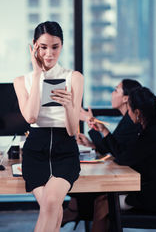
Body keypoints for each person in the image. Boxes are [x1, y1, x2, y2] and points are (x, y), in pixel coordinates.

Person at [13, 21, 84, 232]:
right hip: (36, 151)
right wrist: (37, 75)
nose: (49, 53)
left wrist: (69, 104)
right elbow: (31, 116)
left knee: (52, 204)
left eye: (55, 47)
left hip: (65, 150)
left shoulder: (75, 78)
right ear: (34, 46)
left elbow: (73, 131)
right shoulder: (21, 81)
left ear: (62, 46)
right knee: (55, 211)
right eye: (43, 47)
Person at [87, 86, 156, 231]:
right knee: (102, 199)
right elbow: (125, 154)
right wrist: (104, 130)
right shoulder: (151, 129)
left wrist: (104, 132)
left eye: (130, 110)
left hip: (151, 197)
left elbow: (123, 158)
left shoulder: (149, 135)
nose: (128, 113)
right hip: (150, 191)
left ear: (137, 112)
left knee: (102, 202)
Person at [61, 79, 142, 231]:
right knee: (82, 186)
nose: (112, 93)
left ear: (126, 98)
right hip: (126, 176)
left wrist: (89, 122)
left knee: (86, 188)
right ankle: (73, 212)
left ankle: (73, 212)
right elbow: (112, 146)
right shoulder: (127, 120)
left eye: (115, 90)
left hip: (131, 184)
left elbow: (114, 149)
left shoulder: (131, 122)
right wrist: (91, 144)